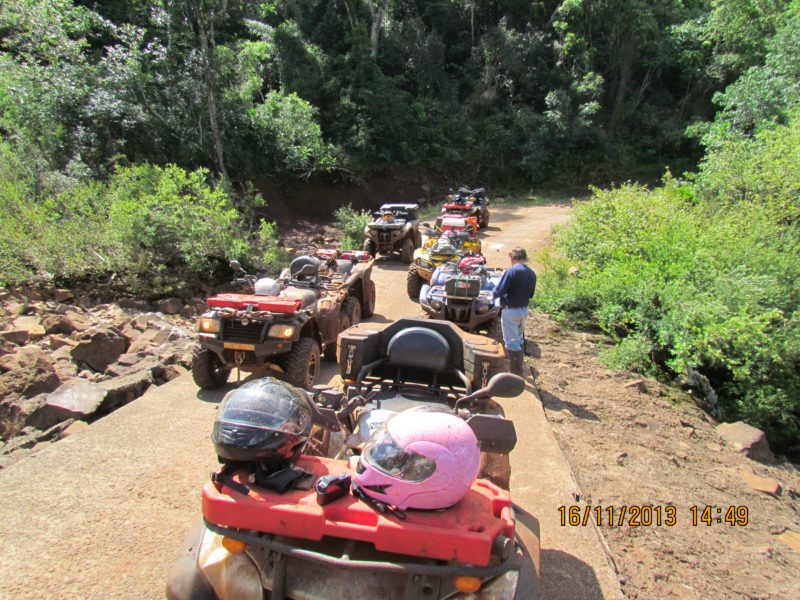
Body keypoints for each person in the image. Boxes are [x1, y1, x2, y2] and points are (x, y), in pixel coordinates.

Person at [493, 247, 536, 376]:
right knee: (519, 339)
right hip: (523, 310)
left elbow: (499, 291)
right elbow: (531, 294)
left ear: (513, 258)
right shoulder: (531, 273)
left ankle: (515, 372)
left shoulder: (511, 271)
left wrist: (491, 294)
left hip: (511, 310)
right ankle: (519, 367)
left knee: (511, 342)